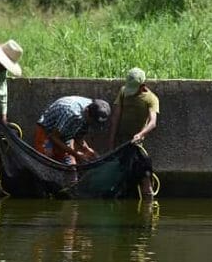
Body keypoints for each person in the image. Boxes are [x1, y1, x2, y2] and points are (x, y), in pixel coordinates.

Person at [108, 67, 159, 196]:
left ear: (143, 86)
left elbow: (153, 122)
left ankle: (147, 194)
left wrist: (141, 134)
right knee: (121, 169)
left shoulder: (151, 99)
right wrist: (111, 142)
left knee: (144, 168)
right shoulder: (123, 92)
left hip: (136, 143)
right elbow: (116, 117)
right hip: (122, 142)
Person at [34, 96, 111, 165]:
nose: (92, 124)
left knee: (71, 166)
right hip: (47, 132)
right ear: (87, 112)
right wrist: (77, 155)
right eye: (92, 121)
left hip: (64, 135)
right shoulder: (72, 113)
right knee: (47, 162)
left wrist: (88, 150)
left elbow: (79, 137)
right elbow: (53, 137)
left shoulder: (94, 109)